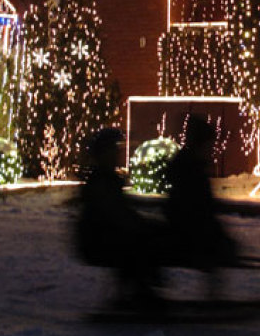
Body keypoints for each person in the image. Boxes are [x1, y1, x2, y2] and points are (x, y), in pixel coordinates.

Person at [76, 127, 164, 307]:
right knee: (137, 245)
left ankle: (138, 289)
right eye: (113, 150)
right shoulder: (102, 181)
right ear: (104, 153)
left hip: (104, 236)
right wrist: (141, 226)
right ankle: (140, 292)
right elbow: (114, 214)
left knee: (140, 239)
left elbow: (120, 213)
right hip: (98, 240)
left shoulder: (106, 179)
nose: (117, 154)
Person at [165, 114, 238, 276]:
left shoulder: (189, 168)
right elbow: (199, 211)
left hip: (190, 233)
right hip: (190, 237)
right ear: (200, 145)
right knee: (219, 253)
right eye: (209, 145)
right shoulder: (192, 172)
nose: (211, 150)